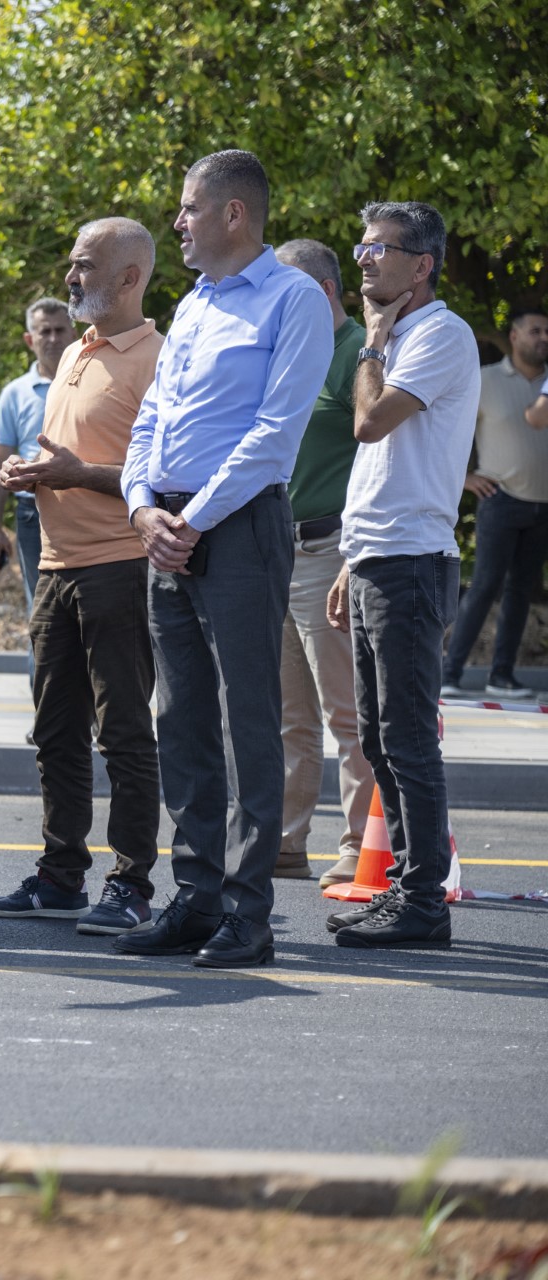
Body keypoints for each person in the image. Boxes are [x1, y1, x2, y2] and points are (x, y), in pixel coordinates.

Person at [116, 149, 332, 967]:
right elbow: (151, 423)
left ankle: (249, 912)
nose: (178, 222)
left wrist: (192, 520)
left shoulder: (292, 300)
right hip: (168, 523)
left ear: (233, 214)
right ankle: (196, 897)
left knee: (249, 720)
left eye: (189, 208)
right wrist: (144, 509)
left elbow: (274, 437)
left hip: (236, 526)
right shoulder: (195, 304)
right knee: (180, 720)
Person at [0, 218, 163, 934]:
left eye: (84, 265)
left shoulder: (157, 358)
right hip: (54, 568)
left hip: (121, 567)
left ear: (128, 276)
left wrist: (75, 474)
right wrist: (39, 476)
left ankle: (132, 884)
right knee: (54, 732)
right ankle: (61, 875)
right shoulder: (76, 351)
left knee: (123, 735)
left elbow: (166, 478)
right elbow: (70, 456)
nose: (70, 277)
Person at [325, 201, 480, 950]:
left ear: (421, 265)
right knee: (381, 741)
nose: (363, 259)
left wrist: (374, 344)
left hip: (414, 563)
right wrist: (352, 560)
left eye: (379, 249)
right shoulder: (405, 335)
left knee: (408, 739)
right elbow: (382, 464)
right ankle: (408, 890)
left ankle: (423, 903)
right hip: (378, 558)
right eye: (361, 246)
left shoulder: (439, 334)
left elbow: (369, 424)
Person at [272, 238, 372, 887]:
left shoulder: (358, 354)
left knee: (347, 713)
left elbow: (377, 459)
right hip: (277, 548)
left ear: (327, 292)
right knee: (288, 715)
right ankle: (285, 843)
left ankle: (362, 843)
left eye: (289, 294)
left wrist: (352, 556)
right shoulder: (289, 353)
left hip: (330, 549)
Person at [441, 307, 548, 701]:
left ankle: (501, 676)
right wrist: (463, 478)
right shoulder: (484, 380)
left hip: (543, 506)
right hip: (500, 500)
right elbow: (448, 430)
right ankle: (449, 673)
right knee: (484, 585)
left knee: (521, 591)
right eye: (535, 330)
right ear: (515, 336)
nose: (544, 338)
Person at [0, 299, 75, 627]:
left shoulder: (92, 382)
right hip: (31, 515)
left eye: (59, 330)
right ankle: (39, 681)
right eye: (44, 332)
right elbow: (0, 460)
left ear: (74, 333)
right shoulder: (15, 394)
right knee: (41, 614)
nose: (53, 339)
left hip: (85, 506)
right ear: (30, 340)